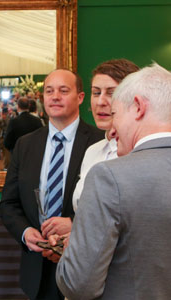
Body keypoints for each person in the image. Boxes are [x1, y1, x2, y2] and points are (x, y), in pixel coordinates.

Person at [56, 63, 171, 300]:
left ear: (138, 107)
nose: (113, 129)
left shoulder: (109, 175)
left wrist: (74, 249)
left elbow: (78, 284)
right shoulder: (96, 155)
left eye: (116, 113)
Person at [0, 69, 104, 300]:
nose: (55, 96)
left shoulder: (100, 143)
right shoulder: (25, 145)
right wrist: (26, 233)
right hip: (36, 267)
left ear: (80, 97)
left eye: (63, 90)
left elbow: (113, 209)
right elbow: (8, 203)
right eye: (49, 91)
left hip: (84, 266)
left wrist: (75, 224)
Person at [72, 59, 139, 211]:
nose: (100, 101)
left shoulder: (141, 152)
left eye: (111, 93)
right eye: (96, 93)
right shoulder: (92, 151)